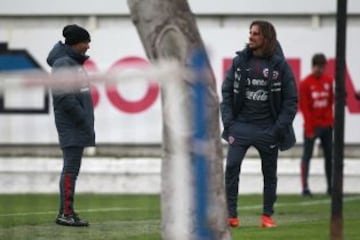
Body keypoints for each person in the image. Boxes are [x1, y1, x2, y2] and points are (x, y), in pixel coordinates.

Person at [220, 20, 298, 228]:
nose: (251, 37)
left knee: (269, 173)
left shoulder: (280, 66)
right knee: (232, 167)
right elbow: (226, 92)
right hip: (241, 127)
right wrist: (229, 122)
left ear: (266, 38)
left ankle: (267, 216)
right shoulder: (239, 62)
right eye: (250, 32)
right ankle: (231, 215)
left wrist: (277, 129)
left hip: (268, 130)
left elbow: (291, 101)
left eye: (256, 34)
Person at [47, 24, 95, 227]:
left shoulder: (71, 63)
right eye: (86, 42)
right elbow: (64, 97)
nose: (88, 46)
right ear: (76, 44)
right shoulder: (64, 64)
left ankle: (67, 211)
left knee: (71, 169)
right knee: (70, 170)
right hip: (72, 125)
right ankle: (65, 214)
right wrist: (83, 118)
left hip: (76, 124)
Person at [299, 53, 333, 197]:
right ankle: (305, 187)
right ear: (313, 66)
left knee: (329, 156)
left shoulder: (329, 81)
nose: (320, 70)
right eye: (318, 67)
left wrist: (330, 120)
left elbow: (331, 101)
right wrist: (309, 126)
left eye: (322, 67)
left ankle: (330, 186)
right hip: (312, 126)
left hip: (326, 125)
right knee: (307, 156)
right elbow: (305, 107)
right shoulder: (305, 83)